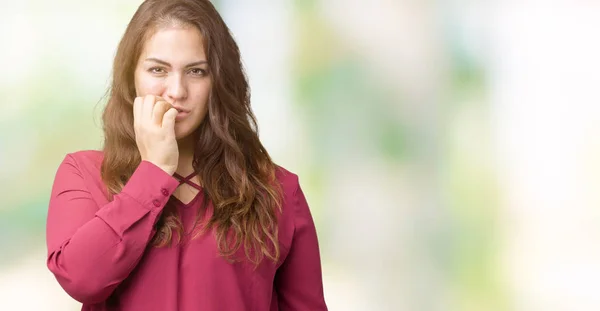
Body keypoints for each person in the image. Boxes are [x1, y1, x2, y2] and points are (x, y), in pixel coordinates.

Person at [45, 0, 328, 310]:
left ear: (218, 81)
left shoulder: (277, 191)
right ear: (131, 78)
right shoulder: (84, 174)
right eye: (158, 70)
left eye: (196, 71)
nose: (177, 91)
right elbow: (81, 279)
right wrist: (153, 171)